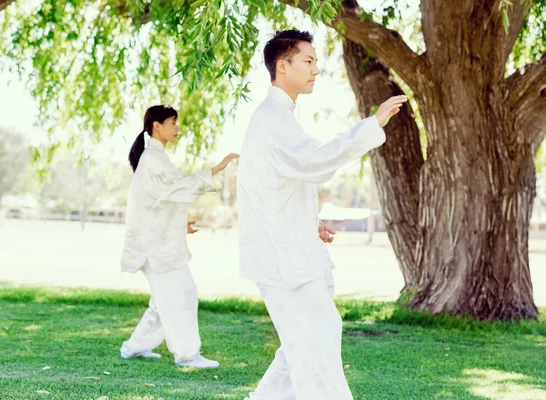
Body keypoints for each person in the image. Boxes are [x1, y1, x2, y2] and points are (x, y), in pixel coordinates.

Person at [237, 29, 407, 399]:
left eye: (316, 61)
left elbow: (278, 185)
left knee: (303, 343)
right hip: (281, 258)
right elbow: (314, 162)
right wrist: (372, 124)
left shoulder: (279, 117)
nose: (317, 69)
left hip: (288, 249)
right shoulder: (272, 118)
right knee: (317, 340)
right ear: (283, 66)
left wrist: (308, 221)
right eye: (308, 61)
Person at [120, 104, 239, 368]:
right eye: (172, 123)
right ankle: (187, 355)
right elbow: (176, 188)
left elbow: (161, 200)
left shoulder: (155, 158)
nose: (177, 128)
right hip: (156, 247)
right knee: (181, 294)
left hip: (159, 242)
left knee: (165, 299)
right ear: (157, 126)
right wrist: (216, 168)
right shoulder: (152, 159)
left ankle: (135, 347)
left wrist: (177, 225)